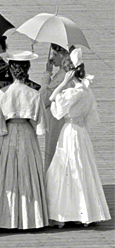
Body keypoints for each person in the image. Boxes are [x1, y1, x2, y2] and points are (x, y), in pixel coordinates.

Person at [0, 51, 49, 230]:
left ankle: (4, 218)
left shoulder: (3, 93)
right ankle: (30, 218)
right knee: (27, 173)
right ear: (28, 69)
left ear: (10, 69)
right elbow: (41, 126)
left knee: (4, 174)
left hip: (7, 134)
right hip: (26, 133)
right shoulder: (33, 94)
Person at [46, 48, 111, 227]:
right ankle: (84, 212)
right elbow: (91, 115)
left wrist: (62, 83)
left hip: (70, 131)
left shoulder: (73, 92)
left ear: (70, 73)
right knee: (82, 168)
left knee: (67, 168)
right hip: (81, 132)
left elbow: (53, 100)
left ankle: (64, 213)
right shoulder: (86, 90)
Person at [40, 43, 69, 170]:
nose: (52, 57)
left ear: (64, 56)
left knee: (53, 152)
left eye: (55, 55)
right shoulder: (66, 74)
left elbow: (44, 98)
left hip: (56, 121)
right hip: (61, 120)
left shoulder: (61, 77)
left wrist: (47, 73)